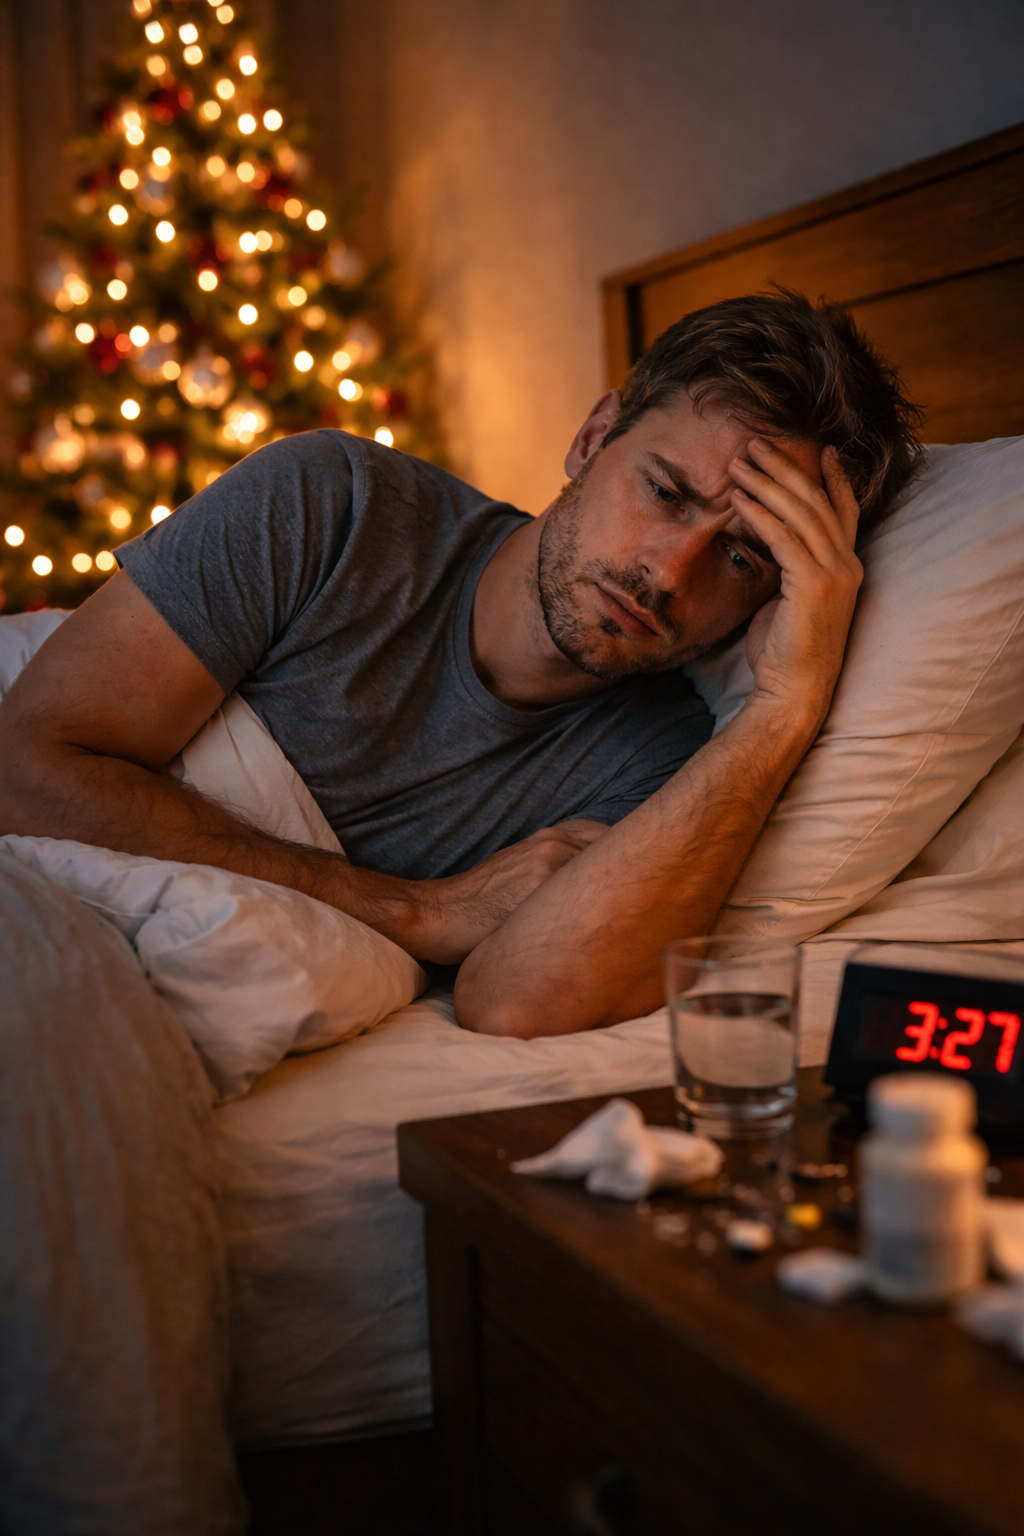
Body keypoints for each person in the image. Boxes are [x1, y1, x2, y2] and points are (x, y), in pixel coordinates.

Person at [0, 291, 919, 1533]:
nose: (669, 572)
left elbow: (517, 996)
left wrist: (783, 707)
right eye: (665, 490)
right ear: (593, 437)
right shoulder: (330, 504)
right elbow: (30, 760)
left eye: (746, 558)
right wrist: (411, 910)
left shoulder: (662, 767)